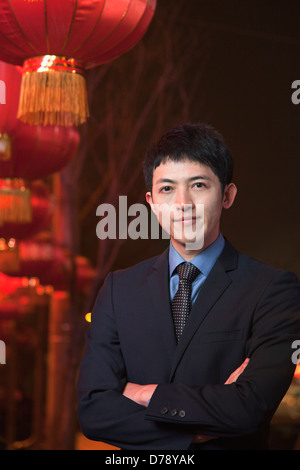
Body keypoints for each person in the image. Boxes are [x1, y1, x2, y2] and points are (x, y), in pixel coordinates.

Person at [77, 122, 300, 450]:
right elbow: (93, 411)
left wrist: (143, 393)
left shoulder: (273, 290)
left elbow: (249, 408)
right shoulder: (118, 290)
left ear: (227, 195)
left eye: (198, 185)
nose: (182, 203)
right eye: (167, 189)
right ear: (152, 203)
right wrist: (197, 429)